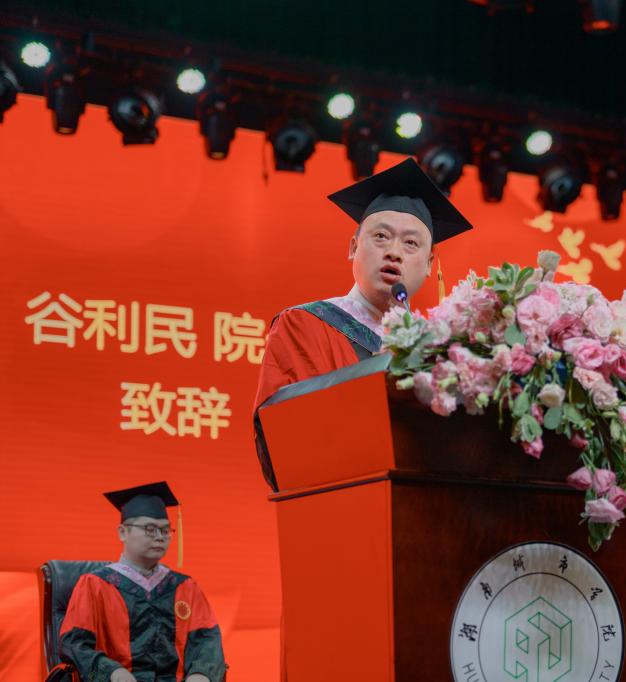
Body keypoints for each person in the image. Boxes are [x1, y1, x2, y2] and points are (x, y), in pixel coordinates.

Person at [253, 157, 473, 489]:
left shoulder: (442, 349)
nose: (394, 252)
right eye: (381, 236)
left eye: (411, 243)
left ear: (429, 264)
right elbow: (290, 434)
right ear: (353, 247)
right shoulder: (306, 324)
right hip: (341, 497)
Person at [59, 482, 226, 682]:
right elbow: (73, 645)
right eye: (150, 529)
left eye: (165, 530)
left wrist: (201, 674)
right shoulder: (95, 585)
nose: (160, 537)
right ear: (123, 532)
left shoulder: (186, 587)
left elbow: (207, 641)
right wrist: (112, 672)